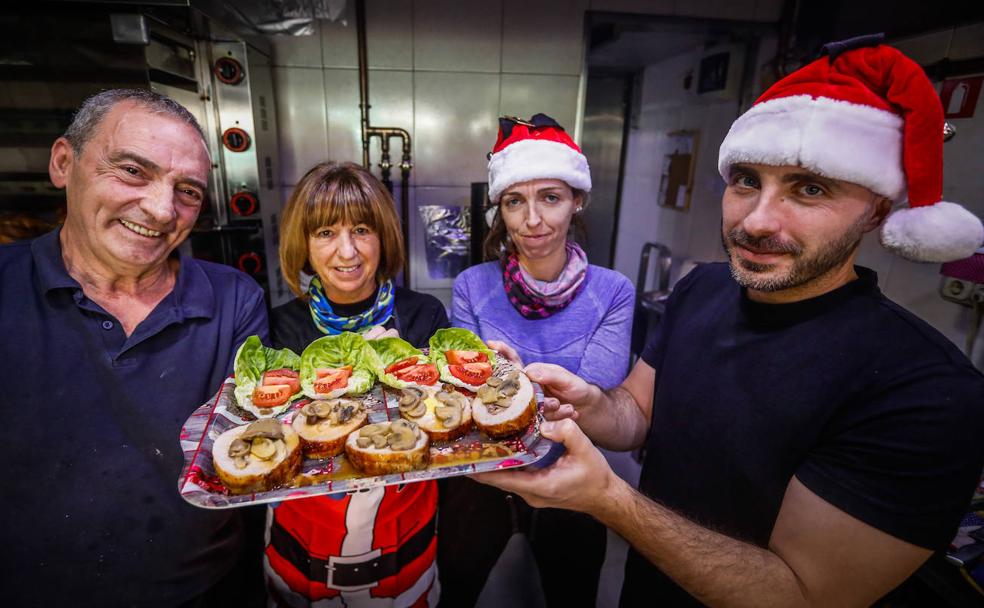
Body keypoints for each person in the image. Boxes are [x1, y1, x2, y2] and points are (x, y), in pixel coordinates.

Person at [474, 41, 984, 606]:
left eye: (809, 188)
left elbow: (804, 594)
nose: (758, 221)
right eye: (746, 180)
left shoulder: (928, 391)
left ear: (878, 209)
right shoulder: (703, 289)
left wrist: (609, 500)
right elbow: (638, 415)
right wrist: (591, 403)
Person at [0, 89, 269, 606]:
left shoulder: (234, 299)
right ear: (63, 163)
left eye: (188, 191)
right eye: (132, 171)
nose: (162, 208)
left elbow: (251, 445)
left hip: (209, 589)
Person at [440, 114, 635, 607]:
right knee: (458, 588)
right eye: (514, 201)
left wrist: (503, 376)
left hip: (574, 474)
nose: (533, 220)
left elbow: (592, 391)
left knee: (572, 592)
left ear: (577, 200)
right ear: (499, 211)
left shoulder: (613, 293)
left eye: (550, 197)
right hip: (483, 472)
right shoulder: (471, 287)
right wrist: (480, 379)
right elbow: (465, 391)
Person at [263, 161, 450, 607]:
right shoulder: (280, 327)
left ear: (383, 237)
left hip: (404, 534)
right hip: (303, 541)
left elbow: (445, 432)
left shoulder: (425, 316)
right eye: (325, 233)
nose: (346, 252)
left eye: (362, 229)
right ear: (303, 246)